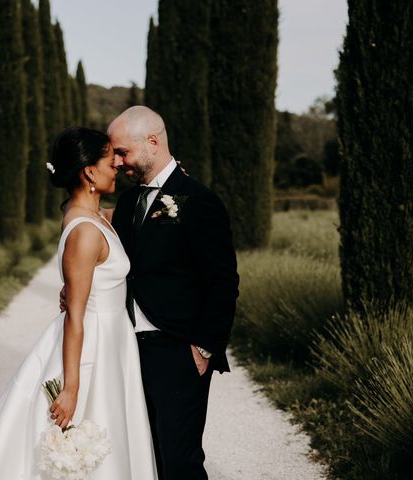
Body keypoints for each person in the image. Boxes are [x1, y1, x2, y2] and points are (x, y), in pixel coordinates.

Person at [0, 127, 158, 479]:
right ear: (90, 172)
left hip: (113, 340)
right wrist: (72, 387)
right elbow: (74, 316)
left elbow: (126, 214)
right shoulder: (85, 231)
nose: (118, 167)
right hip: (94, 343)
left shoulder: (92, 217)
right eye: (111, 161)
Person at [108, 106, 239, 480]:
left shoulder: (198, 199)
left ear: (152, 142)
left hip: (178, 348)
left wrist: (203, 347)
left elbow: (223, 280)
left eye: (122, 152)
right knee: (145, 455)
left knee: (179, 460)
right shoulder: (129, 202)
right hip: (129, 347)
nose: (117, 162)